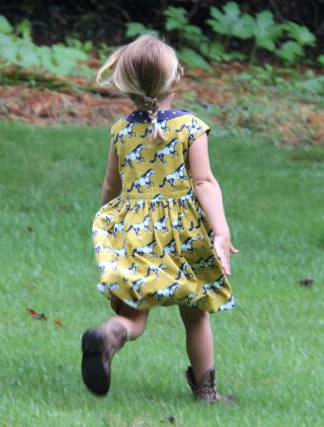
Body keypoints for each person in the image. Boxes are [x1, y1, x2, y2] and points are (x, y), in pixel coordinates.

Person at [81, 35, 238, 403]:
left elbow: (110, 187)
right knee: (196, 314)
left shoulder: (121, 130)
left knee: (134, 317)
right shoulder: (190, 127)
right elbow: (204, 182)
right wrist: (220, 229)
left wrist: (112, 226)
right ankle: (206, 391)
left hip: (136, 234)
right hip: (183, 236)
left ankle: (110, 334)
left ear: (127, 86)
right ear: (176, 80)